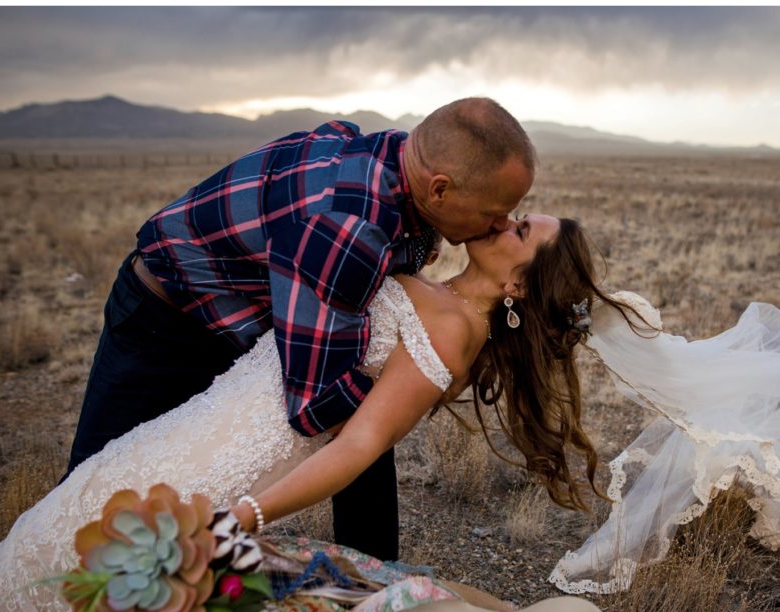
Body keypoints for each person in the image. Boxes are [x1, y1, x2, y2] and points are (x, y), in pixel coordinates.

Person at [0, 215, 780, 612]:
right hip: (190, 437)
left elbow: (359, 443)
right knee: (315, 574)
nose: (506, 220)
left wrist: (241, 511)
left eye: (519, 233)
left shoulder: (448, 329)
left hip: (225, 471)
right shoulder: (439, 294)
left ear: (514, 285)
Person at [63, 97, 536, 564]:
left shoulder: (387, 156)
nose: (500, 224)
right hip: (163, 322)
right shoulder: (348, 230)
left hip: (242, 316)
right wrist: (411, 386)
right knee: (88, 494)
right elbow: (316, 405)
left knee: (368, 423)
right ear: (439, 190)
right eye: (495, 211)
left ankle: (375, 592)